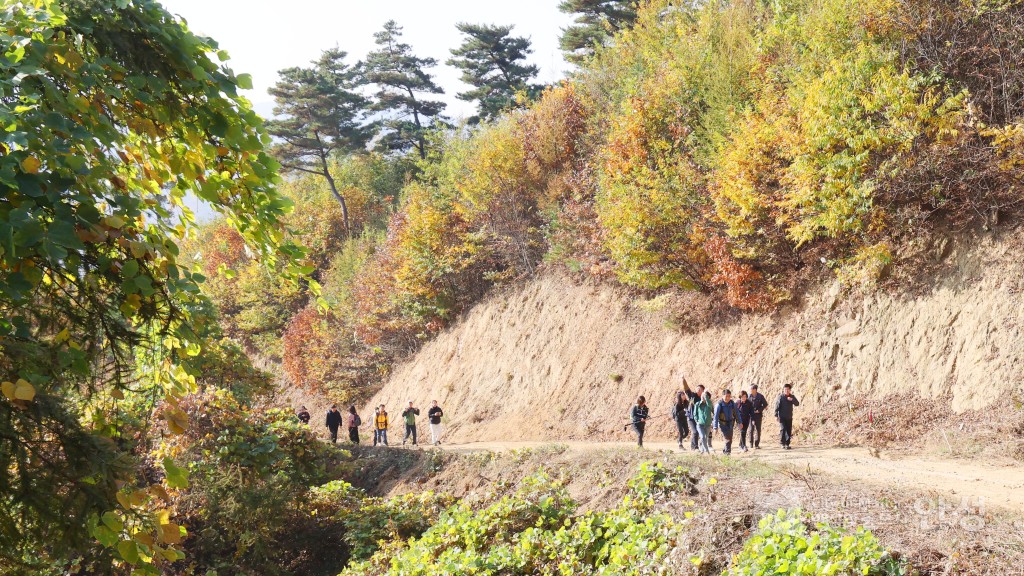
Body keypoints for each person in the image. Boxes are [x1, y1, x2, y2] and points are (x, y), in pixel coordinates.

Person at [774, 383, 800, 449]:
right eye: (785, 389)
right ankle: (782, 443)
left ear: (790, 390)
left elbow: (797, 404)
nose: (786, 390)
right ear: (783, 390)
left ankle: (787, 444)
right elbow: (777, 406)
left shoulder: (792, 396)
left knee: (788, 430)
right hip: (782, 417)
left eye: (788, 389)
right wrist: (776, 415)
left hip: (789, 417)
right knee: (783, 429)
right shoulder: (781, 397)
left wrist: (792, 400)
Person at [681, 378, 704, 451]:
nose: (698, 390)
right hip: (691, 417)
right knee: (695, 431)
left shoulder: (703, 399)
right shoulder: (692, 396)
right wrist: (683, 380)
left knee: (698, 432)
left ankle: (694, 446)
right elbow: (686, 388)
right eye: (697, 388)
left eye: (700, 389)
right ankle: (695, 447)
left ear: (702, 391)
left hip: (699, 418)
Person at [714, 389, 738, 455]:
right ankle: (727, 453)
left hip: (730, 424)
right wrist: (715, 427)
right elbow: (715, 417)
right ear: (722, 396)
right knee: (727, 438)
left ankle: (725, 450)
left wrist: (740, 422)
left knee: (730, 439)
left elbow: (737, 413)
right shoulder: (719, 405)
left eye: (729, 396)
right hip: (722, 424)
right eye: (726, 396)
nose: (727, 398)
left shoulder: (732, 404)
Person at [748, 384, 768, 449]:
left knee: (758, 430)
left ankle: (757, 444)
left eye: (751, 389)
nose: (750, 390)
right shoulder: (748, 396)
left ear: (755, 389)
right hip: (751, 415)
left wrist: (759, 410)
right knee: (751, 429)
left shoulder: (760, 396)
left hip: (758, 415)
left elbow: (765, 404)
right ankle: (751, 443)